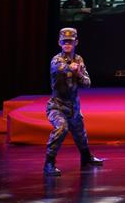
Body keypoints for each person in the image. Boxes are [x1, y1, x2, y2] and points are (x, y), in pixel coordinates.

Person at [44, 28, 104, 176]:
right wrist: (70, 68)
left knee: (80, 134)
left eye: (70, 42)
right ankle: (49, 163)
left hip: (74, 107)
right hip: (57, 106)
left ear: (76, 42)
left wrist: (79, 74)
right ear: (59, 43)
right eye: (64, 42)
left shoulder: (79, 60)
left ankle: (86, 157)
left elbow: (87, 83)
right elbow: (59, 68)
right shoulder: (56, 60)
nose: (67, 44)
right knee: (61, 128)